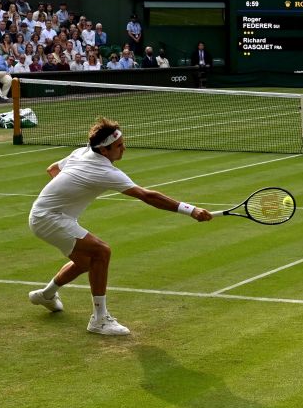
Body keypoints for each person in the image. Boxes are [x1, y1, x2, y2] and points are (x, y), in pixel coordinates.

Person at [26, 118, 212, 335]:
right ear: (104, 151)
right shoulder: (105, 171)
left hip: (48, 215)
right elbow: (146, 195)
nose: (124, 148)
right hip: (48, 219)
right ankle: (99, 320)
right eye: (119, 146)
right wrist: (191, 210)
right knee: (101, 251)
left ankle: (46, 295)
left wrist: (69, 192)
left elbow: (52, 169)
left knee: (86, 262)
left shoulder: (81, 152)